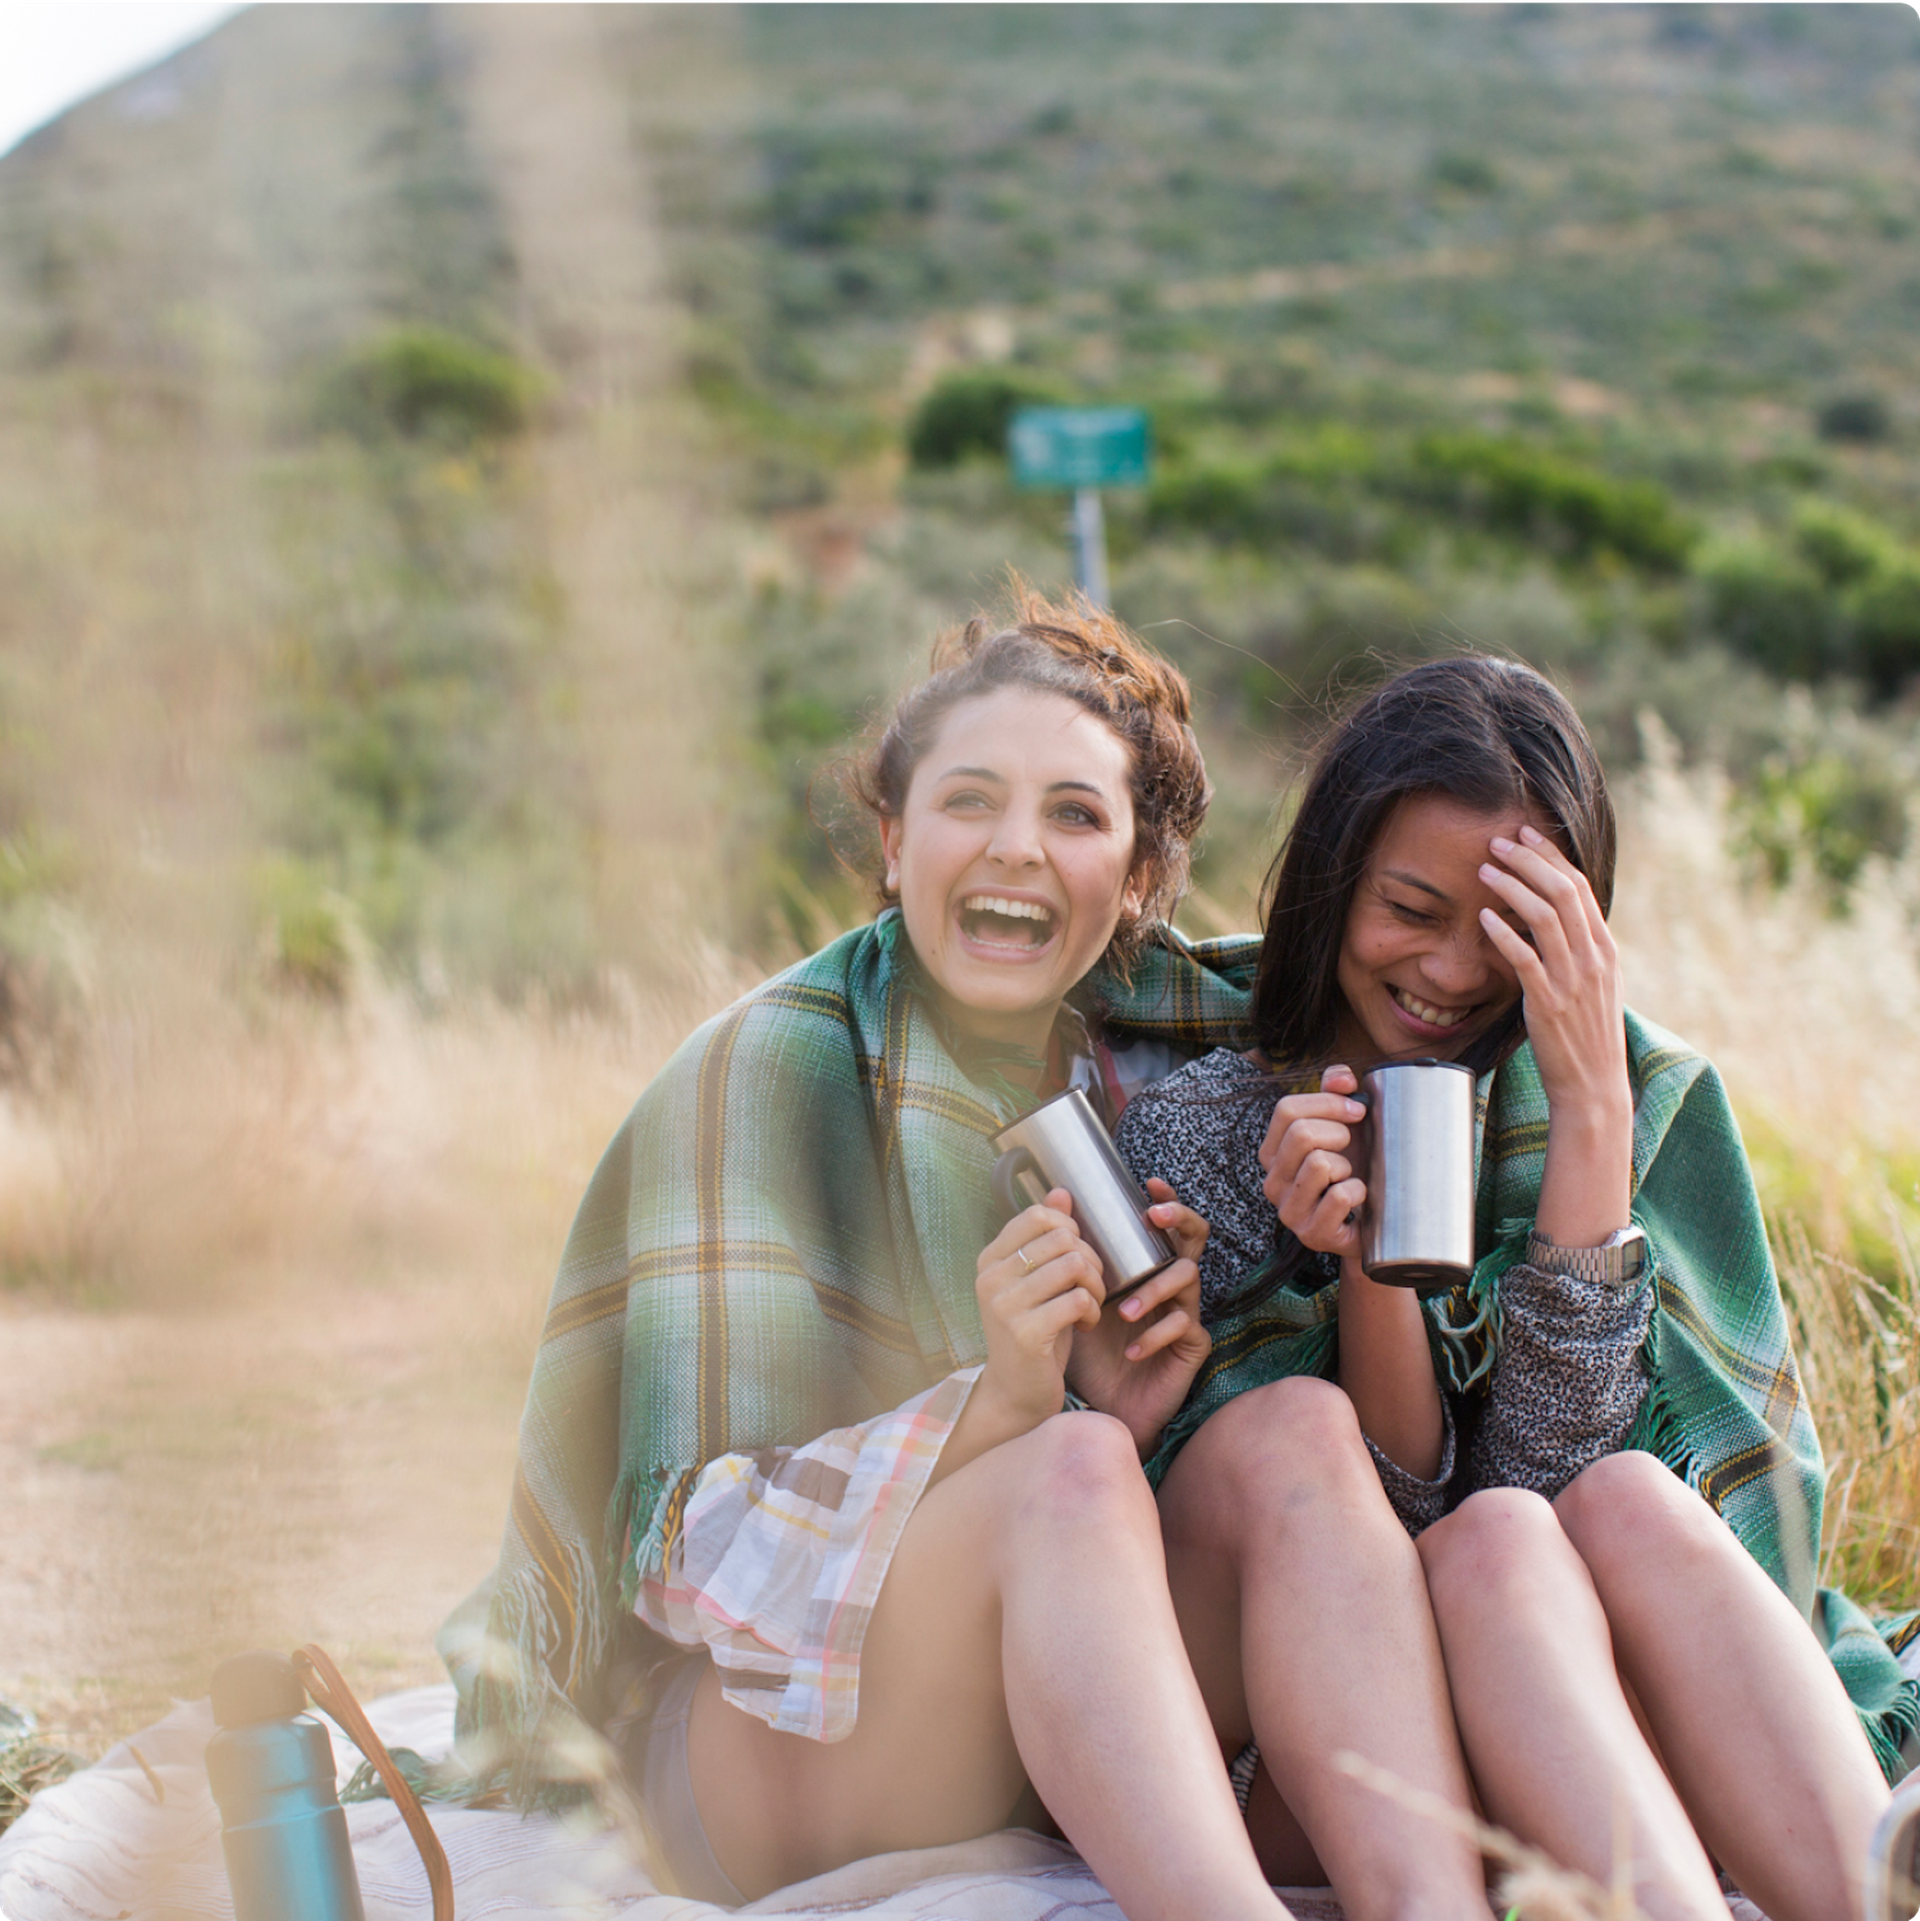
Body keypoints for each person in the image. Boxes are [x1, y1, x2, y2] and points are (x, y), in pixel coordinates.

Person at [442, 591, 1486, 1921]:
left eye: (1074, 814)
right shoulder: (765, 1076)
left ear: (1141, 881)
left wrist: (1118, 1398)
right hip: (757, 1754)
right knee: (1069, 1470)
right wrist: (1007, 1404)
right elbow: (691, 1558)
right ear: (891, 836)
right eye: (969, 800)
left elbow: (1418, 1018)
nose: (1015, 850)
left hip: (1038, 1713)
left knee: (1289, 1428)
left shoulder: (1175, 1053)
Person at [1115, 655, 1920, 1921]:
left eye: (1505, 929)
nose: (1451, 972)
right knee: (1480, 1537)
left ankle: (1863, 1897)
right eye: (1409, 909)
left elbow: (1554, 1498)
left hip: (1563, 1685)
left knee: (1620, 1501)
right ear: (1330, 887)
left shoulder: (1621, 1096)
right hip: (1335, 1749)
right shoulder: (1202, 1127)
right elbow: (1351, 1543)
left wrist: (1591, 1118)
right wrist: (1366, 1265)